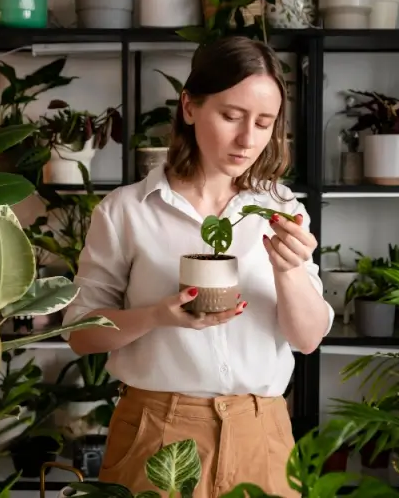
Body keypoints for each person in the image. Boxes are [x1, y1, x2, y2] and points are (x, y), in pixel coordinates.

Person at [63, 35, 335, 498]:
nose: (248, 139)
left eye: (264, 122)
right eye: (231, 116)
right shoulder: (127, 210)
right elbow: (80, 334)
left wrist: (288, 270)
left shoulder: (281, 209)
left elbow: (307, 339)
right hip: (156, 431)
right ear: (189, 106)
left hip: (260, 433)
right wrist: (157, 316)